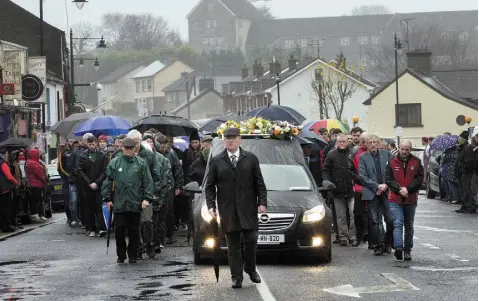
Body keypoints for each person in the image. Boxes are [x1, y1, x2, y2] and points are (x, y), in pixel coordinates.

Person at [205, 127, 267, 289]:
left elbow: (259, 183)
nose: (230, 140)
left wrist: (262, 202)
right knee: (233, 245)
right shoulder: (217, 161)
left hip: (248, 208)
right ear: (224, 141)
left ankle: (250, 269)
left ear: (240, 140)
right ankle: (236, 277)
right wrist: (211, 205)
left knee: (251, 239)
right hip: (228, 209)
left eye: (233, 137)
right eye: (227, 138)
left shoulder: (251, 159)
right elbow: (210, 186)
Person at [102, 137, 155, 264]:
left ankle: (132, 254)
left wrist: (146, 198)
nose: (129, 151)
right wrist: (107, 198)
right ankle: (121, 255)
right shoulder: (115, 162)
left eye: (131, 148)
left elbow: (147, 182)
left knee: (134, 231)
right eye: (126, 148)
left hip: (135, 202)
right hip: (119, 203)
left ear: (134, 149)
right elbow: (107, 181)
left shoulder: (141, 163)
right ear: (122, 148)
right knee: (119, 229)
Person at [124, 129, 166, 259]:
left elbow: (156, 175)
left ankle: (149, 244)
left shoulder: (148, 154)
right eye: (133, 142)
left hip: (146, 193)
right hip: (130, 195)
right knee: (134, 223)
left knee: (147, 221)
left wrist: (155, 193)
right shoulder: (125, 155)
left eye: (137, 142)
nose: (136, 145)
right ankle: (137, 247)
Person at [385, 140, 424, 261]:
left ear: (410, 149)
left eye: (407, 150)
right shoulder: (391, 161)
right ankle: (398, 248)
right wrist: (399, 189)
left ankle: (407, 249)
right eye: (402, 149)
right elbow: (388, 179)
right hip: (395, 198)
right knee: (397, 222)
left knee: (409, 225)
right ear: (399, 148)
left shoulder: (416, 162)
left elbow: (419, 179)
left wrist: (408, 189)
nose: (404, 152)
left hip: (411, 198)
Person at [322, 134, 360, 247]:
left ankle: (353, 236)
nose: (342, 143)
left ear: (347, 142)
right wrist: (327, 181)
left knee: (353, 214)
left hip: (352, 189)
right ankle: (343, 236)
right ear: (337, 143)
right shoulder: (331, 154)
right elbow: (326, 170)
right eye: (340, 142)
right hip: (337, 190)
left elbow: (358, 169)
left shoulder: (353, 153)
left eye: (344, 141)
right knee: (340, 215)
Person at [359, 135, 393, 255]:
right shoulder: (363, 157)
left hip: (386, 191)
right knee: (375, 221)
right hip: (372, 192)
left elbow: (392, 172)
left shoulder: (387, 154)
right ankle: (379, 245)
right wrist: (377, 186)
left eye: (375, 142)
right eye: (370, 142)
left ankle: (388, 242)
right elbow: (362, 176)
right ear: (366, 145)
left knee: (390, 219)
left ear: (378, 143)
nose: (373, 144)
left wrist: (385, 186)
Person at [77, 136, 108, 237]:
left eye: (93, 144)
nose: (91, 146)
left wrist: (97, 182)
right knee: (89, 207)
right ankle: (91, 228)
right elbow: (80, 171)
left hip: (99, 185)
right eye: (89, 144)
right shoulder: (82, 156)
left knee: (99, 207)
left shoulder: (102, 155)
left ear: (96, 143)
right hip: (87, 186)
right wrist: (89, 182)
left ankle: (101, 228)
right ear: (87, 144)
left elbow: (105, 171)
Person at [155, 134, 183, 244]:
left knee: (169, 211)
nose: (163, 149)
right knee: (159, 211)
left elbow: (178, 169)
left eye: (164, 146)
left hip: (169, 185)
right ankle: (160, 235)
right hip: (158, 186)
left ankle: (170, 234)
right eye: (160, 146)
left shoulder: (171, 154)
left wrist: (178, 186)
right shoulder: (155, 155)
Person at [179, 130, 202, 229]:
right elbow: (183, 168)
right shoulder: (186, 153)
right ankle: (188, 222)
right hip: (189, 180)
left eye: (196, 142)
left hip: (199, 180)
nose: (194, 144)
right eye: (192, 143)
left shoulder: (202, 153)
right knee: (188, 203)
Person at [352, 132, 369, 246]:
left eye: (365, 140)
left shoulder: (374, 153)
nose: (363, 143)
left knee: (370, 215)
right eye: (362, 140)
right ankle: (358, 237)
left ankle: (371, 239)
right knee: (358, 214)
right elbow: (352, 170)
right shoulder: (356, 153)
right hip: (358, 188)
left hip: (371, 188)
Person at [456, 133, 477, 213]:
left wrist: (464, 165)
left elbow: (469, 160)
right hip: (464, 171)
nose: (459, 139)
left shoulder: (468, 148)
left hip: (467, 171)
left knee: (467, 189)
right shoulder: (463, 147)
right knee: (464, 189)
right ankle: (465, 205)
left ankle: (470, 206)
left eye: (460, 138)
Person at [25, 148, 47, 223]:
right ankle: (35, 215)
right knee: (36, 200)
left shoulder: (28, 162)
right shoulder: (34, 163)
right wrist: (45, 180)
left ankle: (36, 215)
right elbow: (39, 174)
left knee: (33, 201)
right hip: (36, 184)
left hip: (31, 184)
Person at [0, 149, 19, 232]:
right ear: (3, 154)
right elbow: (9, 176)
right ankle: (7, 226)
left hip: (2, 188)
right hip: (5, 189)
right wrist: (16, 182)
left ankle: (4, 225)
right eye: (7, 153)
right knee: (6, 208)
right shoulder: (3, 163)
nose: (8, 155)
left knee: (3, 208)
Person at [57, 140, 73, 223]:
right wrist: (67, 176)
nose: (72, 143)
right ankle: (69, 217)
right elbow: (60, 168)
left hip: (76, 179)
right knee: (67, 199)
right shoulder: (63, 154)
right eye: (70, 141)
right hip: (66, 180)